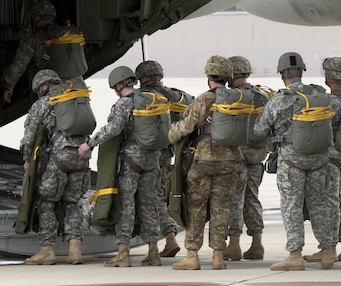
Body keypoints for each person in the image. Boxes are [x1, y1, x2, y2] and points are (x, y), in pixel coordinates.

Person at [252, 51, 338, 271]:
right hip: (320, 157)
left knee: (292, 206)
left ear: (282, 74)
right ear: (302, 71)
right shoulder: (319, 94)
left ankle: (295, 254)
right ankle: (328, 252)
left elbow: (259, 130)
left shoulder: (279, 100)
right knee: (320, 203)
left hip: (291, 159)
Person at [78, 66, 166, 267]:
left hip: (131, 160)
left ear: (118, 84)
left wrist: (90, 143)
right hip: (153, 159)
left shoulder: (124, 104)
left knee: (126, 205)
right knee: (148, 205)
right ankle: (154, 252)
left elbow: (114, 129)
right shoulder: (152, 99)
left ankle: (123, 253)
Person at [167, 56, 245, 270]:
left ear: (209, 75)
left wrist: (171, 132)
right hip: (230, 161)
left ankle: (192, 256)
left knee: (197, 208)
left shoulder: (203, 99)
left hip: (203, 161)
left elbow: (187, 127)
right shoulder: (237, 98)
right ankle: (218, 256)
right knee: (221, 209)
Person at [21, 69, 93, 266]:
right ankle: (75, 249)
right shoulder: (76, 99)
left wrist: (27, 159)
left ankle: (46, 250)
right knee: (72, 202)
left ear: (42, 86)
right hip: (82, 157)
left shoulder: (43, 104)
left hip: (60, 158)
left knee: (46, 202)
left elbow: (28, 138)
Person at [304, 56, 341, 264]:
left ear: (328, 77)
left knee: (329, 202)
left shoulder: (331, 102)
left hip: (331, 158)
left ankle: (328, 247)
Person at [135, 60, 188, 260]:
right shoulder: (178, 96)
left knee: (153, 199)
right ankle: (171, 237)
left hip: (147, 155)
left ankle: (168, 238)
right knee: (166, 194)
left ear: (142, 78)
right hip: (169, 153)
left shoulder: (141, 97)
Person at [223, 56, 273, 261]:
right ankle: (257, 243)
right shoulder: (263, 96)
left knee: (235, 199)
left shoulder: (231, 96)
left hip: (237, 155)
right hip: (258, 155)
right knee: (252, 198)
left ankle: (234, 244)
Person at [2, 1, 87, 103]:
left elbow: (19, 65)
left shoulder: (36, 39)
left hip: (52, 89)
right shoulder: (68, 34)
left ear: (38, 17)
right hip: (78, 87)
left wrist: (9, 87)